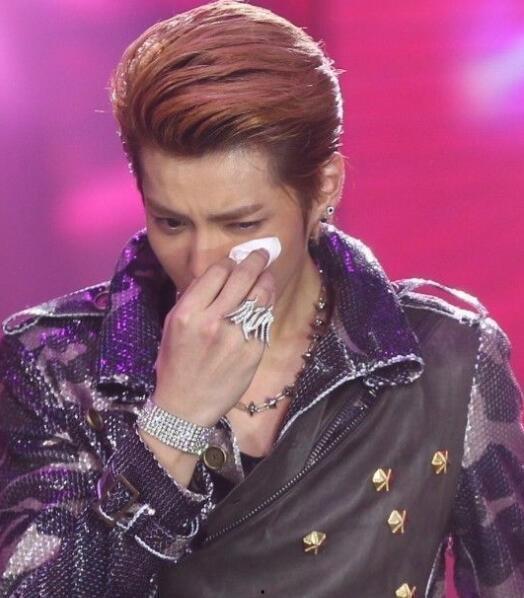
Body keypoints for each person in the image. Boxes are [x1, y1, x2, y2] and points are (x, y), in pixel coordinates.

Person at [0, 1, 522, 596]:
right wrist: (174, 423)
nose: (202, 262)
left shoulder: (445, 355)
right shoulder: (54, 361)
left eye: (241, 224)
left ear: (324, 189)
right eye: (171, 222)